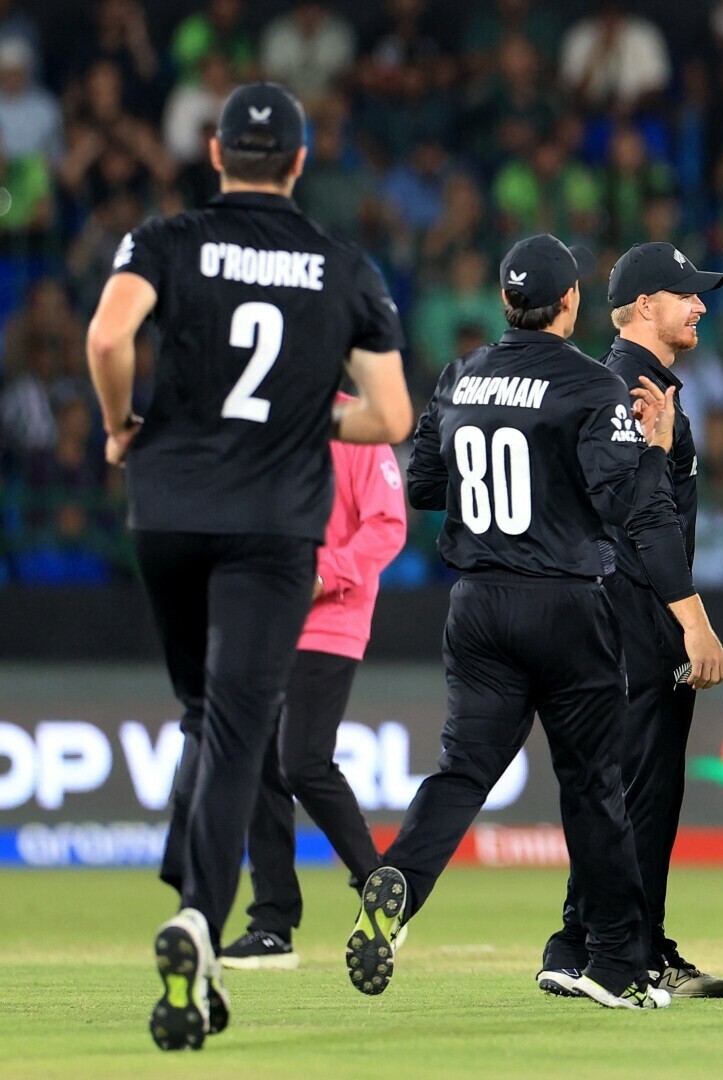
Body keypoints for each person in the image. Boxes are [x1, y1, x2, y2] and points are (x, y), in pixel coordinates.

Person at [84, 82, 411, 1051]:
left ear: (215, 154)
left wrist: (118, 427)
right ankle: (197, 916)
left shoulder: (165, 239)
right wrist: (309, 421)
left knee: (200, 713)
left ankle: (190, 899)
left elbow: (107, 335)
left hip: (170, 508)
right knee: (236, 730)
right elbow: (389, 417)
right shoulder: (341, 264)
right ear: (301, 163)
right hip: (273, 524)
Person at [348, 233, 679, 1011]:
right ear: (569, 303)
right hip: (567, 603)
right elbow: (623, 505)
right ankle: (616, 965)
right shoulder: (594, 386)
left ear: (506, 302)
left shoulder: (460, 374)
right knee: (594, 785)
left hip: (478, 604)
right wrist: (655, 449)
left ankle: (400, 877)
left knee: (462, 772)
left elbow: (426, 481)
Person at [535, 241, 723, 1000]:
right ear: (645, 304)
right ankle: (626, 947)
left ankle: (586, 940)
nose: (700, 305)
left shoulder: (634, 383)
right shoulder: (624, 387)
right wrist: (692, 620)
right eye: (686, 294)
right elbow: (642, 520)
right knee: (640, 794)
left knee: (622, 787)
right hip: (632, 611)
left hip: (620, 608)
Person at [218, 393, 408, 970]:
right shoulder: (263, 419)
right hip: (266, 616)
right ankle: (272, 925)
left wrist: (324, 575)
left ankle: (378, 887)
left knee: (301, 760)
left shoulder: (360, 426)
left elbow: (387, 526)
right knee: (257, 761)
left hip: (331, 617)